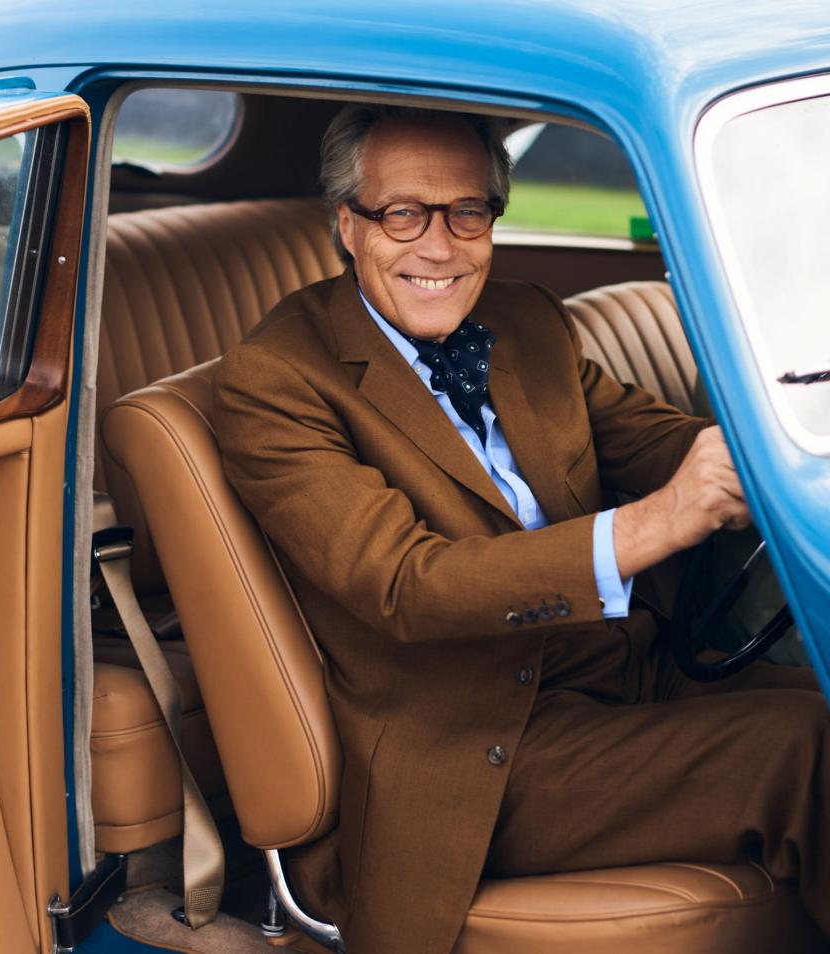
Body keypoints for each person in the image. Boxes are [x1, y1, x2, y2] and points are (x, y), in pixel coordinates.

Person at [212, 104, 829, 954]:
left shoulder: (527, 318)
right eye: (403, 214)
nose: (440, 245)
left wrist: (781, 453)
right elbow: (407, 585)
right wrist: (659, 522)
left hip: (632, 675)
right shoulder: (276, 378)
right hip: (479, 752)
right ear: (348, 226)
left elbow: (648, 439)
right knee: (808, 747)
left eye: (468, 212)